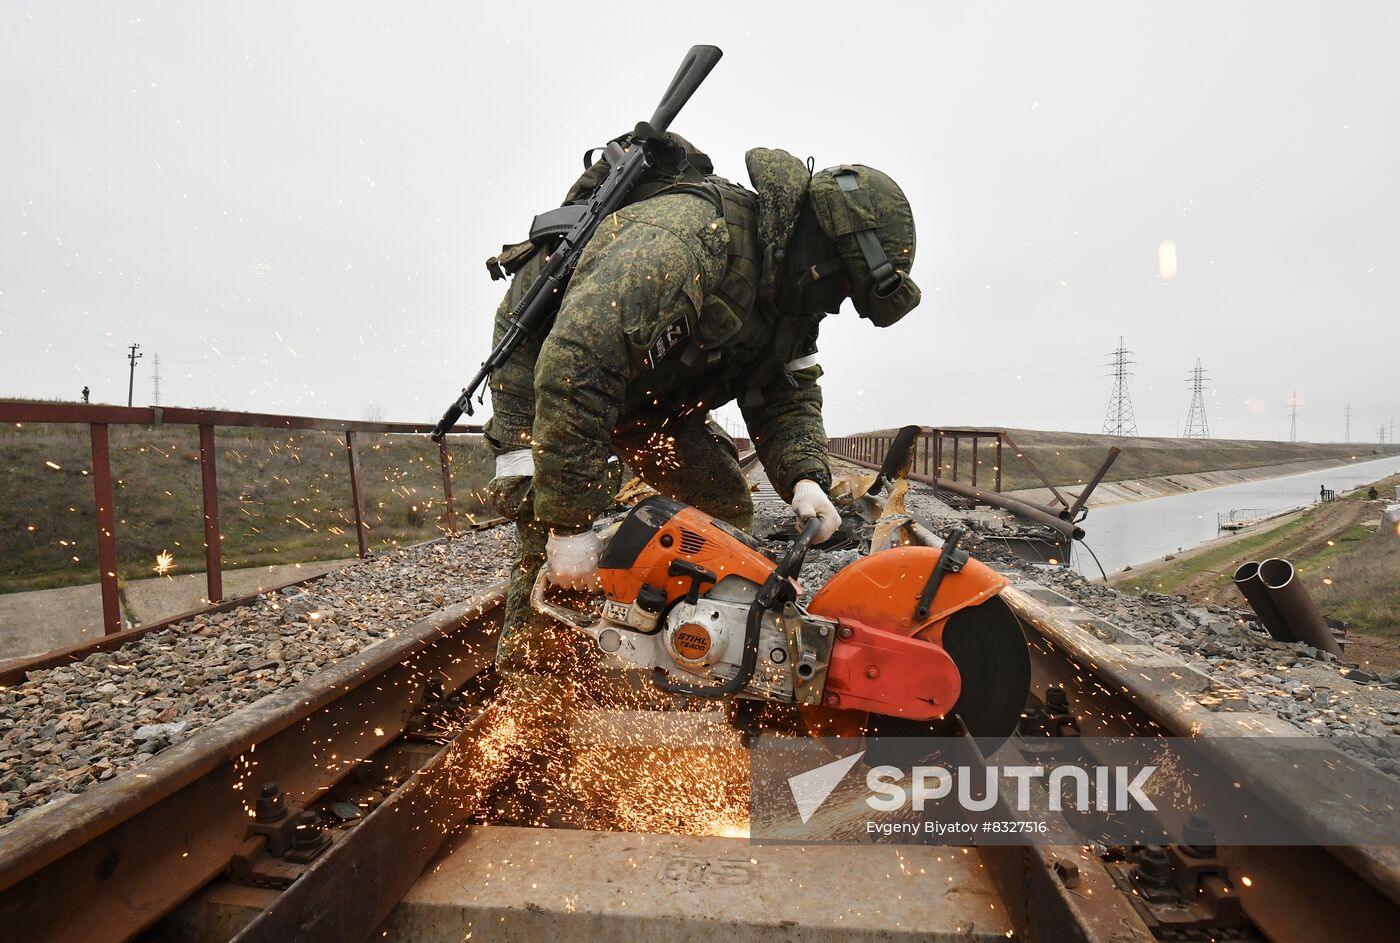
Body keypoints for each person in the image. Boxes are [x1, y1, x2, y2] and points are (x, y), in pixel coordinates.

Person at [480, 139, 920, 687]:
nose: (835, 305)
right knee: (550, 549)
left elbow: (786, 394)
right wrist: (569, 524)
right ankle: (529, 702)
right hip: (547, 376)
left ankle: (683, 657)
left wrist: (807, 477)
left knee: (718, 512)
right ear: (823, 253)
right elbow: (575, 373)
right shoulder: (682, 243)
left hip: (649, 391)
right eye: (842, 288)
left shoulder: (788, 296)